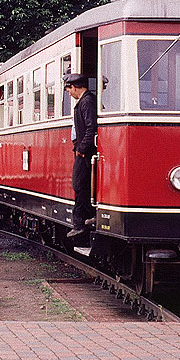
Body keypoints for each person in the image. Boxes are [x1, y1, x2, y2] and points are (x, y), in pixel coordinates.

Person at [64, 73, 97, 239]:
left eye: (69, 89)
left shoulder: (87, 102)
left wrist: (82, 148)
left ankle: (81, 222)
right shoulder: (85, 101)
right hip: (82, 150)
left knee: (80, 184)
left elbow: (91, 127)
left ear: (75, 87)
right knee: (80, 184)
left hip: (85, 152)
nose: (69, 93)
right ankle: (81, 221)